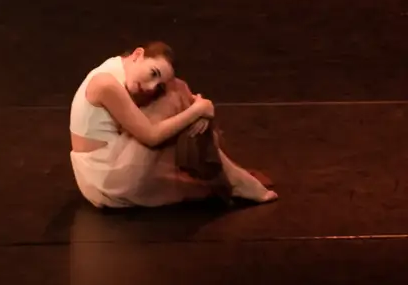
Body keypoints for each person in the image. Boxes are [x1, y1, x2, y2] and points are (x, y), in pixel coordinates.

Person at [70, 42, 275, 208]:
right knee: (174, 93)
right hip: (108, 179)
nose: (151, 87)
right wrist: (199, 109)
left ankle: (225, 172)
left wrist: (198, 110)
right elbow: (151, 136)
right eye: (153, 72)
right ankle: (231, 176)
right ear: (137, 54)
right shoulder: (106, 84)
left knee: (175, 87)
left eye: (156, 82)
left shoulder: (121, 67)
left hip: (105, 169)